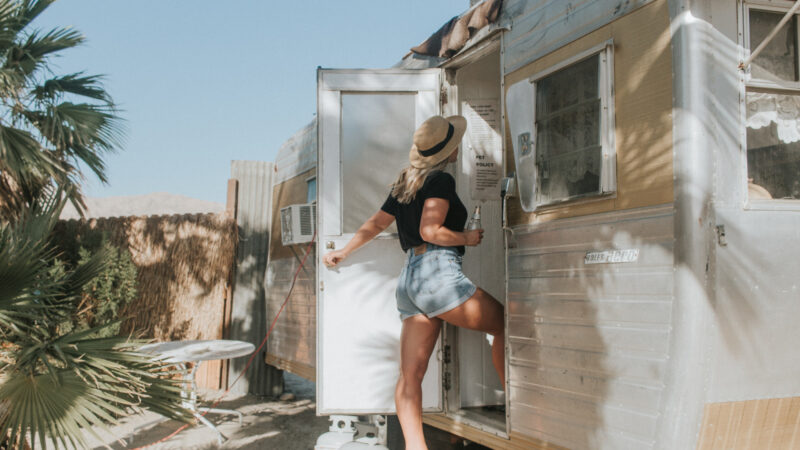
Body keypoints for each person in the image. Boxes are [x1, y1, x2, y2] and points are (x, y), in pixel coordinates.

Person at [322, 115, 505, 450]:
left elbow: (377, 223)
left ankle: (415, 447)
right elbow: (430, 231)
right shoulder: (440, 182)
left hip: (410, 281)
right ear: (449, 152)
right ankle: (517, 409)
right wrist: (468, 236)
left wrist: (343, 252)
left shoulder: (406, 181)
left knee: (410, 375)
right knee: (506, 324)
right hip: (438, 273)